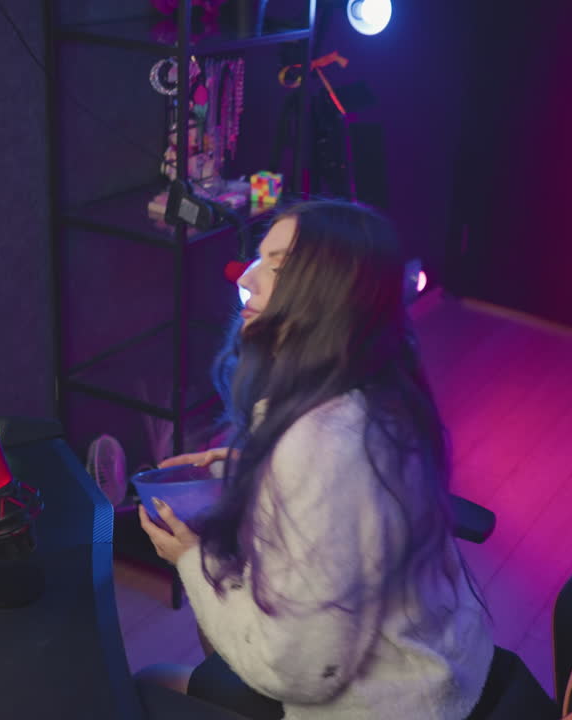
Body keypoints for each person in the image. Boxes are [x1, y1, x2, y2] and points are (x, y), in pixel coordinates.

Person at [135, 200, 495, 719]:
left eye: (278, 267)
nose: (247, 280)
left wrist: (190, 559)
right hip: (448, 660)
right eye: (257, 259)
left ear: (333, 294)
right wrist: (249, 464)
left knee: (146, 683)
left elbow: (296, 671)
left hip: (384, 705)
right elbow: (348, 495)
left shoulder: (318, 444)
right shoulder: (377, 384)